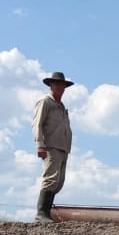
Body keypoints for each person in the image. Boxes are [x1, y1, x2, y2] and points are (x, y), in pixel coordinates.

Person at [32, 71, 74, 222]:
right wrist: (40, 145)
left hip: (63, 147)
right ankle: (41, 213)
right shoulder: (45, 102)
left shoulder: (61, 106)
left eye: (62, 84)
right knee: (51, 178)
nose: (60, 87)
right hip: (51, 146)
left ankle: (46, 213)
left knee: (58, 181)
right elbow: (37, 124)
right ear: (51, 85)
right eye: (56, 84)